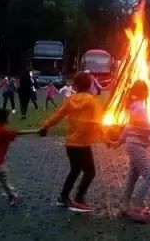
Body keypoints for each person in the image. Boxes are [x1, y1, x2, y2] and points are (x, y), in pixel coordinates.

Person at [40, 72, 103, 213]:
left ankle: (64, 197)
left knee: (75, 170)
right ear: (89, 84)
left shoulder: (71, 100)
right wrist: (108, 139)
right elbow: (99, 123)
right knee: (90, 172)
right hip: (82, 145)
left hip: (71, 144)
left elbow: (58, 115)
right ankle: (79, 198)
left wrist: (46, 126)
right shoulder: (92, 101)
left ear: (76, 85)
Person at [112, 80, 150, 223]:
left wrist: (118, 142)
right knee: (149, 175)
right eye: (147, 90)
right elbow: (147, 129)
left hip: (133, 144)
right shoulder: (140, 109)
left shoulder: (134, 106)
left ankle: (124, 205)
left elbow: (127, 127)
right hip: (136, 145)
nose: (149, 93)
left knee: (133, 177)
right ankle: (136, 205)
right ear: (143, 92)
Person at [0, 108, 38, 206]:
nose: (10, 118)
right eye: (9, 116)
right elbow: (19, 133)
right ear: (4, 118)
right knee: (4, 178)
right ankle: (12, 196)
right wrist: (36, 131)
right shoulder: (3, 132)